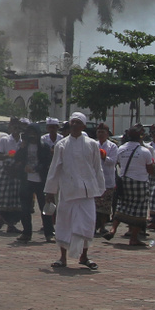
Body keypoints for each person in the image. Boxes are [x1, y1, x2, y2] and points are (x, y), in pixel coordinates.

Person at [43, 112, 105, 270]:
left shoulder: (92, 144)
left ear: (84, 126)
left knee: (87, 224)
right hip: (68, 192)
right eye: (73, 123)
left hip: (87, 192)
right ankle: (62, 258)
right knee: (64, 224)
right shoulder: (62, 145)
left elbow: (98, 169)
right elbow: (54, 169)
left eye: (78, 123)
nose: (75, 125)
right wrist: (50, 191)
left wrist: (100, 190)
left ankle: (84, 256)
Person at [108, 126, 155, 246]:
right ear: (140, 137)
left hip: (124, 181)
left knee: (122, 206)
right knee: (139, 211)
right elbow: (150, 170)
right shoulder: (145, 151)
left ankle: (113, 229)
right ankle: (134, 238)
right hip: (139, 182)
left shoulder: (121, 149)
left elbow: (118, 162)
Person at [90, 122, 115, 242]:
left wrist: (104, 156)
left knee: (105, 206)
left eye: (103, 132)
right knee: (95, 204)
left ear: (107, 133)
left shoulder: (112, 146)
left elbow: (113, 161)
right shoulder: (92, 144)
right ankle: (93, 226)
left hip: (108, 179)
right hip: (95, 178)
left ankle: (103, 226)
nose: (100, 134)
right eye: (99, 132)